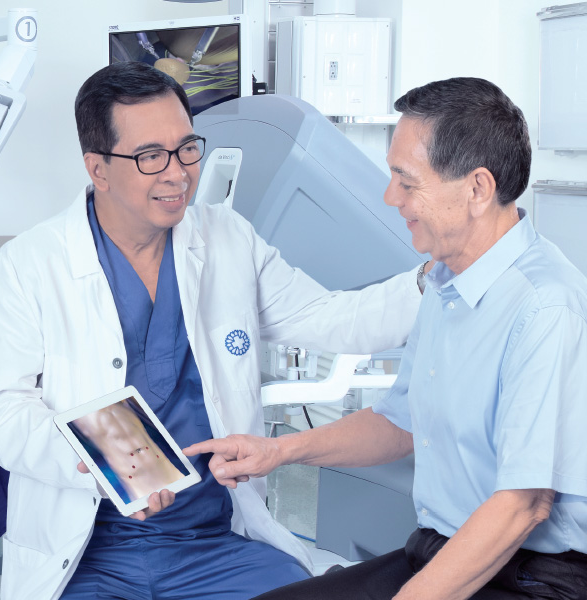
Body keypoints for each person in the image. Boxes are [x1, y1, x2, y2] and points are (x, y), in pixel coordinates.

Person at [0, 61, 424, 600]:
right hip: (84, 551)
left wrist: (436, 276)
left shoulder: (227, 238)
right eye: (151, 157)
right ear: (98, 168)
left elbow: (335, 319)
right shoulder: (31, 263)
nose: (178, 173)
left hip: (210, 545)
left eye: (187, 148)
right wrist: (104, 461)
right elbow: (1, 408)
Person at [185, 77, 587, 600]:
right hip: (434, 548)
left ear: (478, 189)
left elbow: (523, 504)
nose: (390, 196)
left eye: (406, 180)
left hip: (529, 576)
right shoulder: (444, 282)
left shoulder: (546, 306)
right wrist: (277, 451)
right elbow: (400, 424)